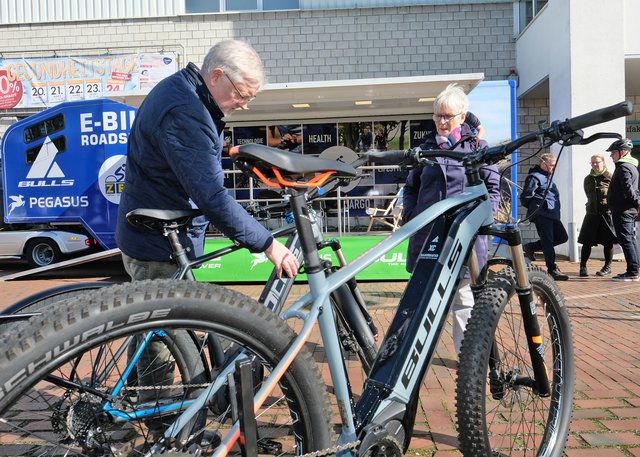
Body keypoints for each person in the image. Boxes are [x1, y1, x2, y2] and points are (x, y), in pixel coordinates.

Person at [115, 40, 299, 438]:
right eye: (242, 95)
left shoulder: (186, 93)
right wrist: (267, 243)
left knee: (151, 329)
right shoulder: (187, 110)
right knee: (165, 337)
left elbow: (186, 159)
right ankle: (165, 430)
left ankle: (133, 408)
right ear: (217, 76)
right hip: (158, 241)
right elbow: (211, 196)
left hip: (151, 233)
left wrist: (222, 151)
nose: (244, 105)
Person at [402, 83, 500, 355]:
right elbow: (410, 188)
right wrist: (411, 214)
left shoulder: (478, 148)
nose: (442, 122)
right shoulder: (424, 149)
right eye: (438, 115)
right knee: (422, 301)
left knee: (464, 300)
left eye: (448, 116)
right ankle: (412, 358)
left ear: (462, 116)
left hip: (465, 238)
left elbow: (493, 189)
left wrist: (481, 221)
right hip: (428, 237)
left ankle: (467, 359)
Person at [521, 154, 569, 281]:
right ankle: (552, 270)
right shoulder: (534, 177)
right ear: (543, 163)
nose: (554, 168)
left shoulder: (547, 177)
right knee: (548, 241)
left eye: (554, 165)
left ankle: (531, 247)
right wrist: (536, 208)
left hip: (552, 215)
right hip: (542, 214)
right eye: (552, 165)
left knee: (562, 237)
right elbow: (526, 196)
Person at [606, 138, 640, 281]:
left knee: (626, 241)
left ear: (623, 152)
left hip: (623, 210)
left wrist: (637, 203)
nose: (611, 155)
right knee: (629, 240)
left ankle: (632, 272)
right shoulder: (630, 166)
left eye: (613, 152)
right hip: (626, 210)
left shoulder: (624, 167)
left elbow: (629, 190)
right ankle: (634, 270)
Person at [578, 154, 616, 277]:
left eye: (597, 162)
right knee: (586, 241)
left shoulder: (610, 177)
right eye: (592, 162)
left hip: (606, 213)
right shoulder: (587, 179)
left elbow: (615, 195)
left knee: (608, 242)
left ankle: (607, 266)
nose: (594, 165)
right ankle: (583, 267)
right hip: (591, 213)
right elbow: (588, 194)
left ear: (603, 163)